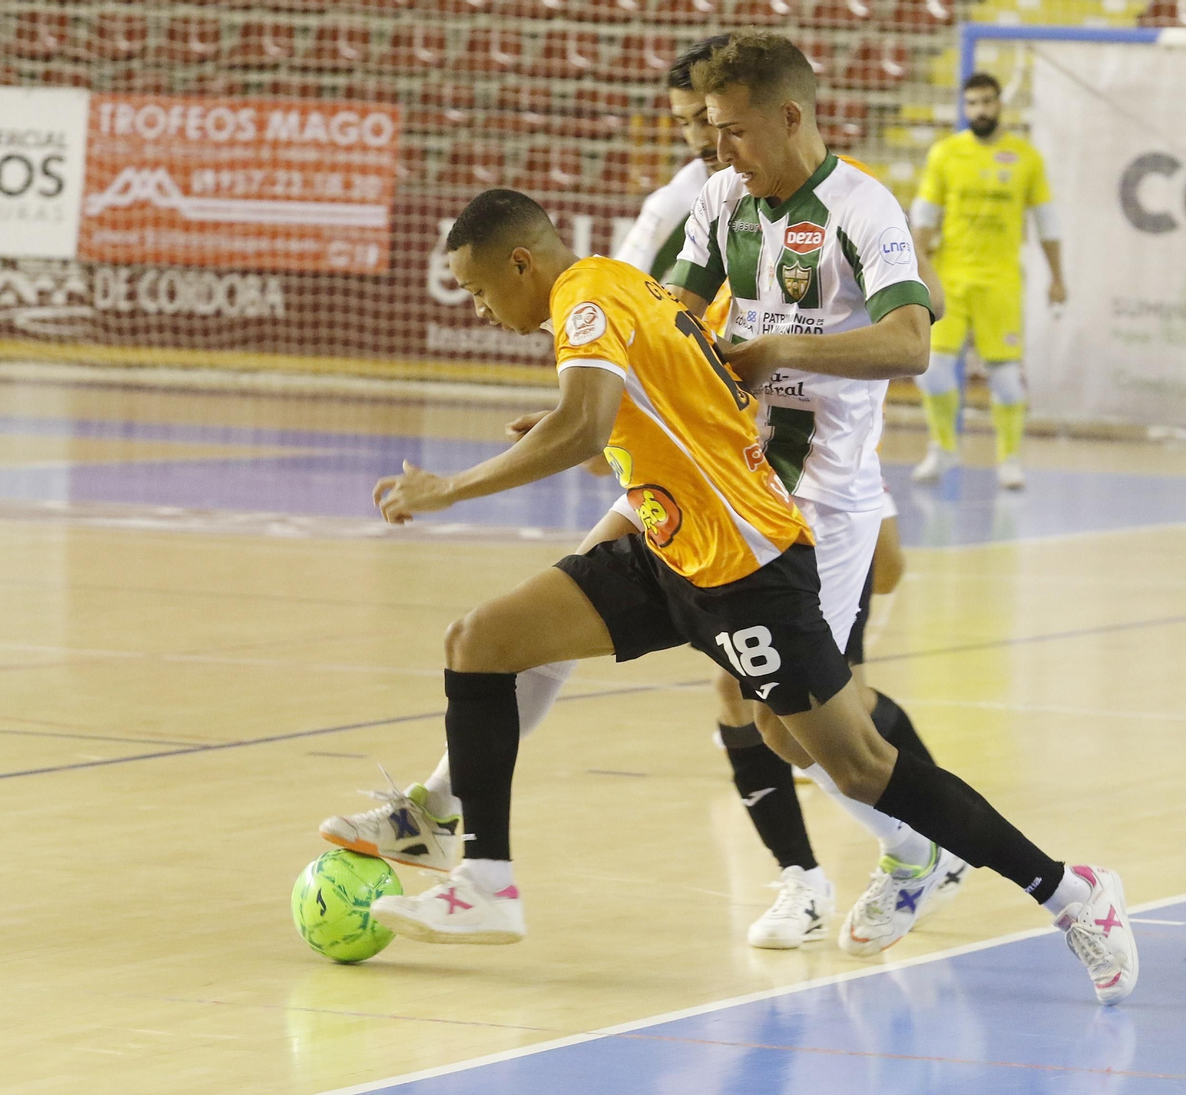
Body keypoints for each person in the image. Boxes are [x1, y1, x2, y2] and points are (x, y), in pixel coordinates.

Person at [341, 188, 1134, 1002]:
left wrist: (450, 488)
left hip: (747, 569)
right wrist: (598, 427)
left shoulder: (585, 298)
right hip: (670, 546)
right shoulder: (615, 285)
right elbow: (660, 402)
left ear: (522, 263)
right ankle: (481, 874)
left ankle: (1070, 891)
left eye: (479, 290)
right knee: (481, 640)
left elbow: (583, 429)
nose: (478, 309)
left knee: (856, 765)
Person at [328, 35, 955, 956]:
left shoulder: (837, 200)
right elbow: (652, 331)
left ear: (765, 114)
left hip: (805, 492)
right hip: (707, 470)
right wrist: (601, 416)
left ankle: (912, 852)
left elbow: (909, 327)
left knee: (787, 720)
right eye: (690, 124)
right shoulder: (705, 199)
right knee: (538, 624)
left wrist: (794, 341)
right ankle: (446, 810)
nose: (705, 139)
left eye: (715, 122)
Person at [910, 71, 1065, 492]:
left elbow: (1047, 222)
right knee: (931, 370)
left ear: (1000, 105)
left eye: (987, 102)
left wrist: (1057, 277)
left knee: (1006, 378)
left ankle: (1010, 459)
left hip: (1000, 282)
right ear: (964, 107)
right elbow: (924, 216)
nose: (980, 110)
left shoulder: (1026, 158)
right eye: (973, 103)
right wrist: (916, 267)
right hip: (951, 279)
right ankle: (943, 448)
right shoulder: (945, 154)